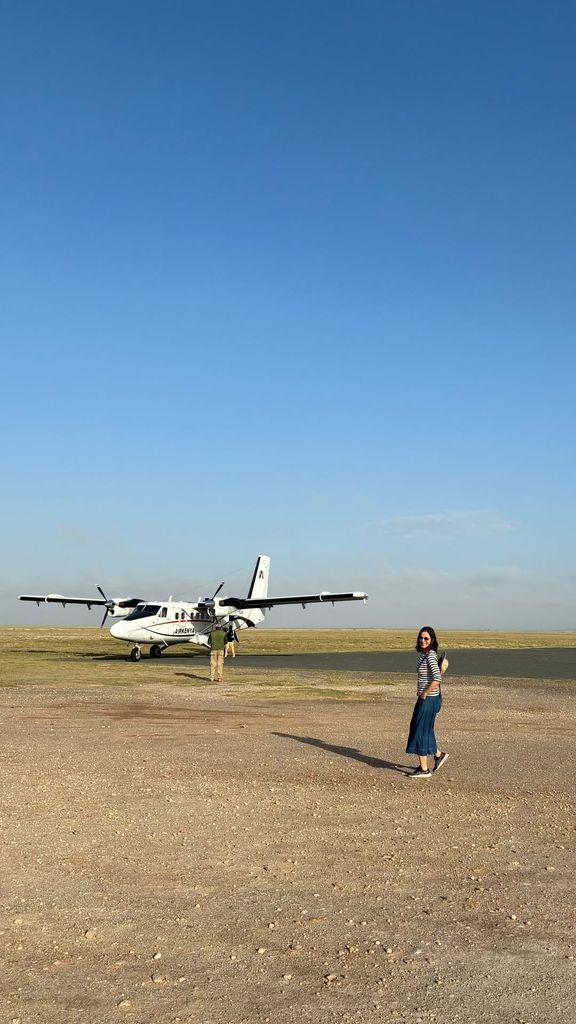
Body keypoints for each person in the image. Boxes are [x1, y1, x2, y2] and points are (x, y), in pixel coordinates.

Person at [405, 626, 449, 778]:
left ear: (432, 640)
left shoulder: (430, 655)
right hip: (430, 699)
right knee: (426, 729)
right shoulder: (425, 655)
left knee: (419, 730)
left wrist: (424, 693)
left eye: (426, 639)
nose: (422, 641)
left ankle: (424, 770)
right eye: (420, 638)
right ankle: (438, 755)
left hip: (428, 699)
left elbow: (437, 679)